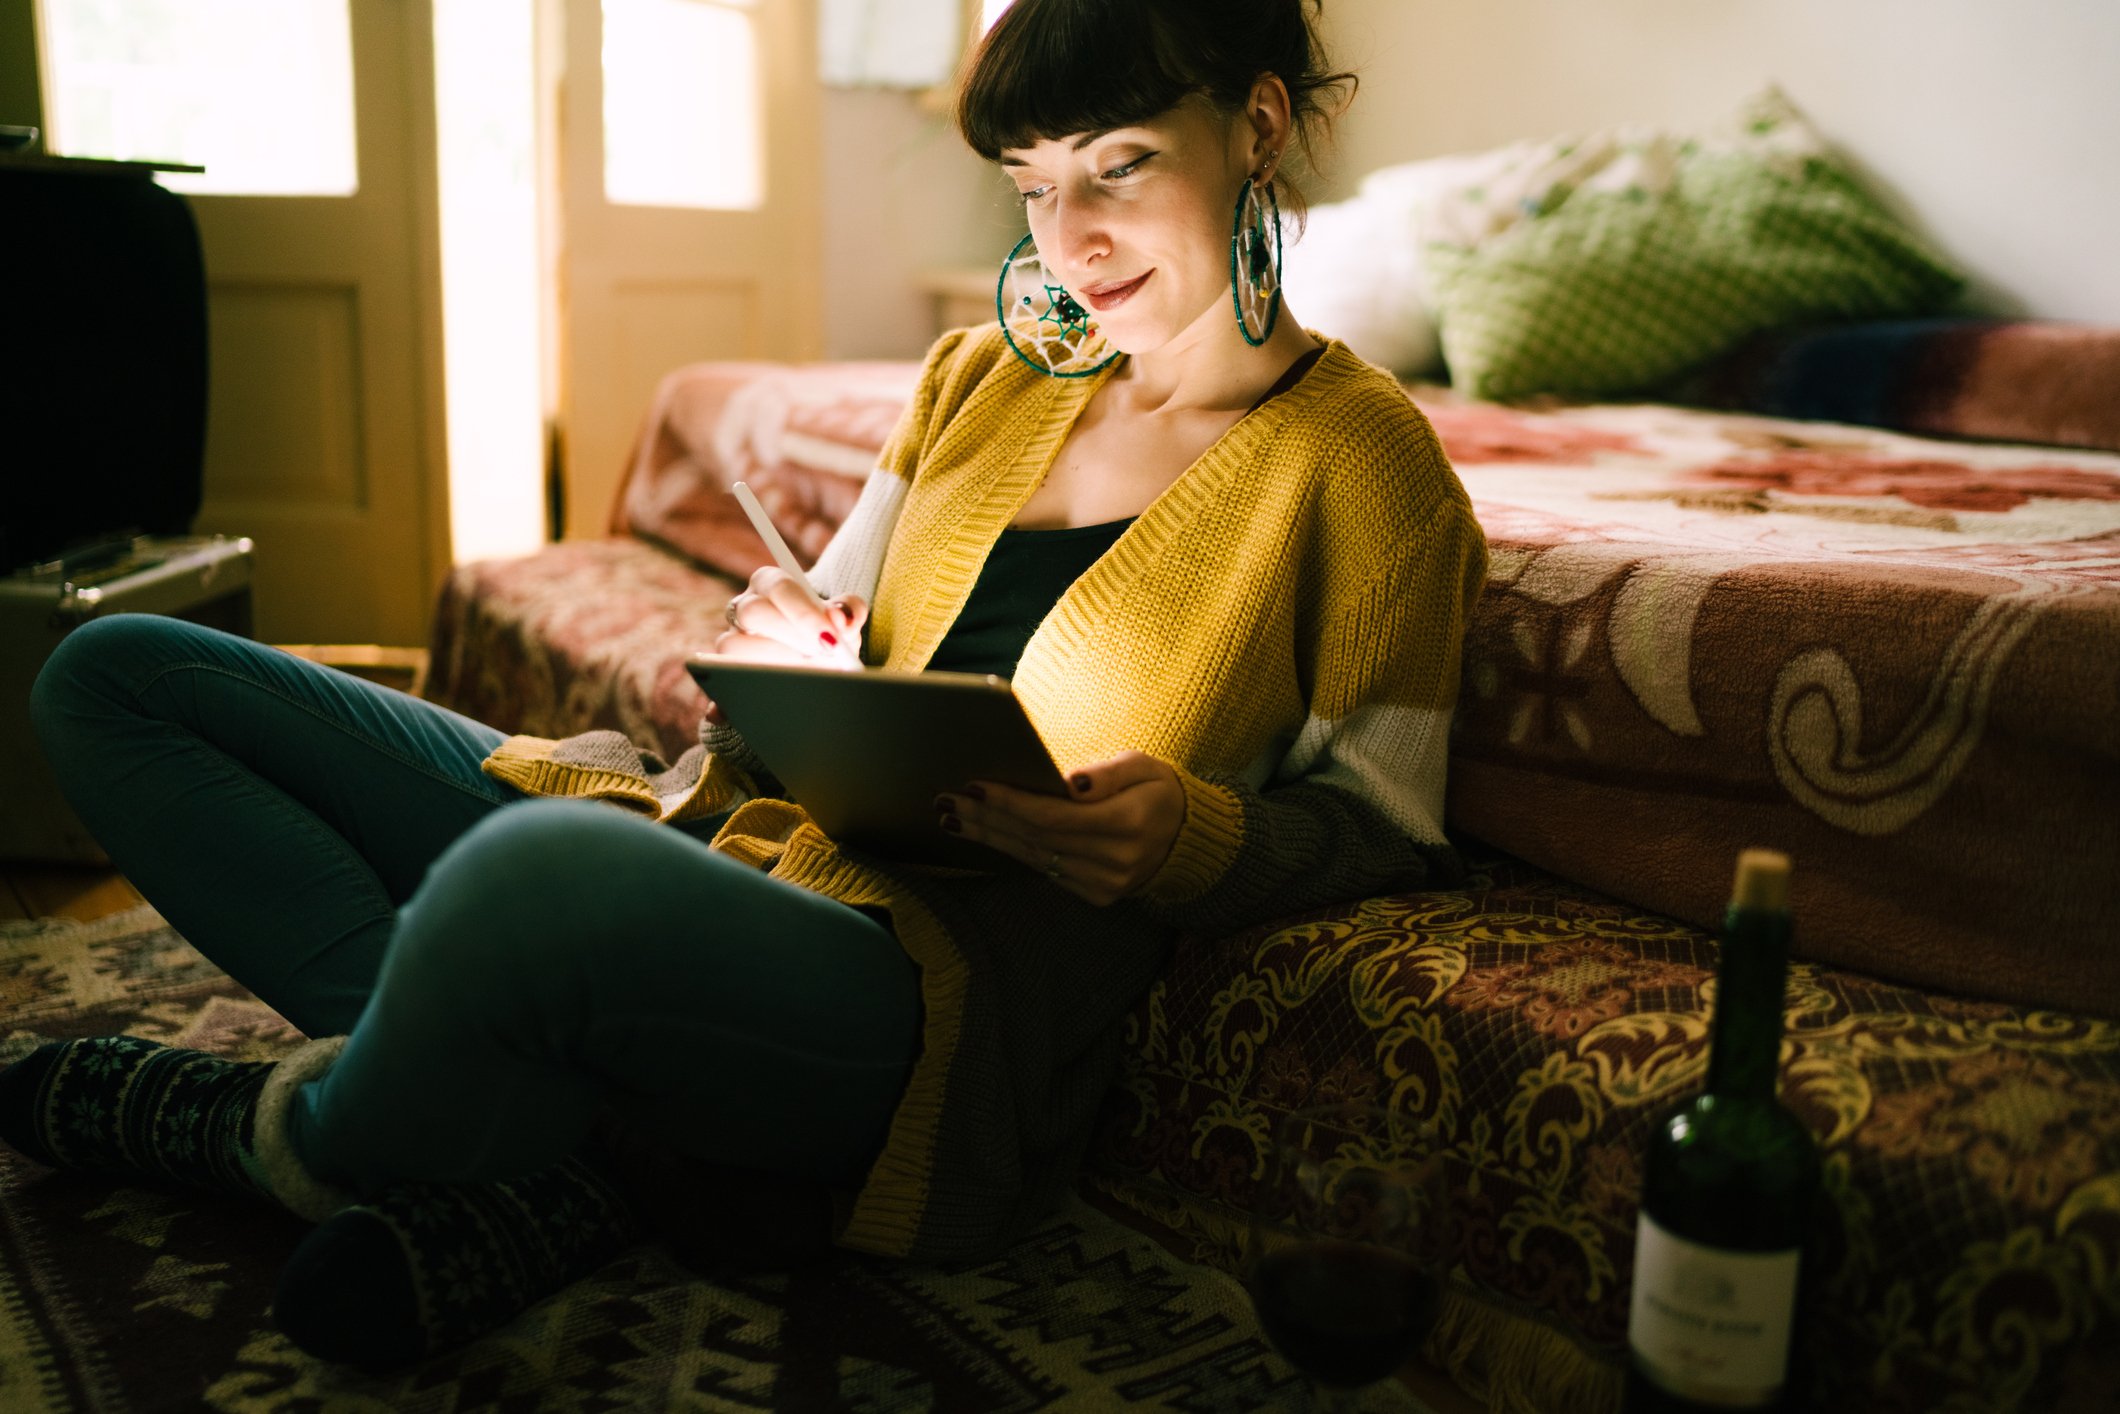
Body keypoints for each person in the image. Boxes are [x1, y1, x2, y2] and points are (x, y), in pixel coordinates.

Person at [3, 0, 1486, 1371]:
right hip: (724, 842)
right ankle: (573, 1152)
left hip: (922, 994)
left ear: (1262, 127)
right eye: (1036, 184)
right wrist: (786, 639)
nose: (1073, 237)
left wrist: (1189, 836)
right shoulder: (983, 376)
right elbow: (821, 613)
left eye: (1117, 167)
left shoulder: (1365, 469)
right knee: (116, 675)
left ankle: (284, 1130)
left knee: (539, 873)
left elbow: (1387, 830)